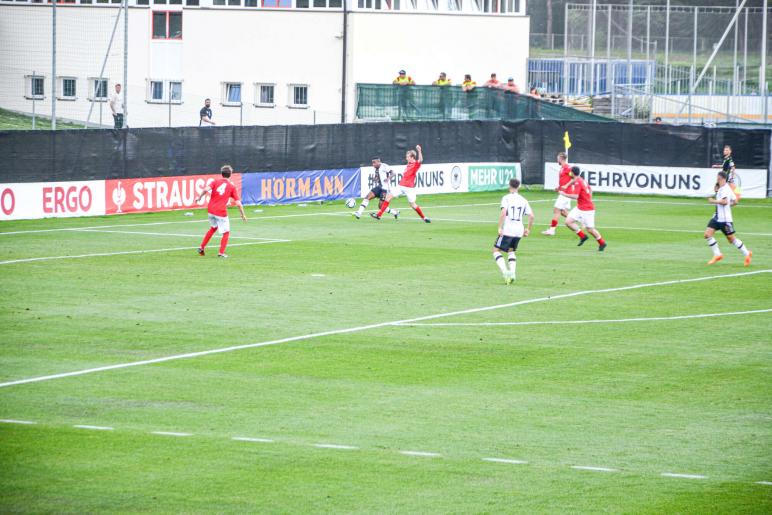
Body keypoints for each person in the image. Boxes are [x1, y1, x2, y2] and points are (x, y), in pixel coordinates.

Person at [196, 165, 247, 258]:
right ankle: (221, 253)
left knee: (213, 228)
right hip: (221, 212)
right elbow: (239, 203)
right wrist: (243, 215)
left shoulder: (215, 181)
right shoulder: (231, 186)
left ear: (221, 174)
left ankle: (201, 247)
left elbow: (205, 189)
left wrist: (199, 198)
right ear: (230, 174)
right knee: (226, 232)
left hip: (211, 210)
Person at [372, 144, 430, 223]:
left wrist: (419, 150)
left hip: (409, 188)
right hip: (401, 186)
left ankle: (424, 218)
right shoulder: (409, 164)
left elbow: (421, 159)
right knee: (388, 197)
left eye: (408, 156)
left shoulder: (416, 164)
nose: (406, 158)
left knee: (413, 205)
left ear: (412, 157)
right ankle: (379, 215)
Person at [704, 171, 752, 266]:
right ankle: (717, 255)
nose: (717, 180)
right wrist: (728, 204)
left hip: (725, 220)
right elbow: (735, 202)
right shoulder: (722, 188)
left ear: (721, 178)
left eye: (717, 178)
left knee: (731, 239)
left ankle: (747, 254)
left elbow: (725, 201)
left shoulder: (725, 189)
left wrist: (713, 201)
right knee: (707, 234)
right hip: (717, 217)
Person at [492, 178, 534, 285]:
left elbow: (503, 212)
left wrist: (500, 227)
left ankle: (505, 272)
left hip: (508, 229)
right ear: (519, 187)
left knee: (496, 250)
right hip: (519, 229)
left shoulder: (506, 198)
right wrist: (528, 229)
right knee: (511, 251)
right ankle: (513, 273)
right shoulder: (523, 200)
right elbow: (531, 216)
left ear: (509, 186)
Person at [562, 166, 607, 251]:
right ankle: (583, 236)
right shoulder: (581, 179)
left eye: (570, 172)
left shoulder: (578, 182)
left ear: (572, 173)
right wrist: (588, 198)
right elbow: (590, 190)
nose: (569, 173)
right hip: (580, 207)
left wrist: (563, 194)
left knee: (590, 229)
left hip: (587, 209)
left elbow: (575, 196)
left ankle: (602, 243)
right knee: (568, 222)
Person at [542, 152, 572, 236]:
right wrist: (559, 187)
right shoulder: (562, 168)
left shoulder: (567, 167)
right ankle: (580, 220)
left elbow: (574, 178)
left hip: (566, 193)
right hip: (563, 192)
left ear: (561, 158)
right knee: (562, 212)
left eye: (557, 158)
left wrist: (566, 186)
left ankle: (552, 230)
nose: (557, 160)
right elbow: (565, 180)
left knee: (556, 210)